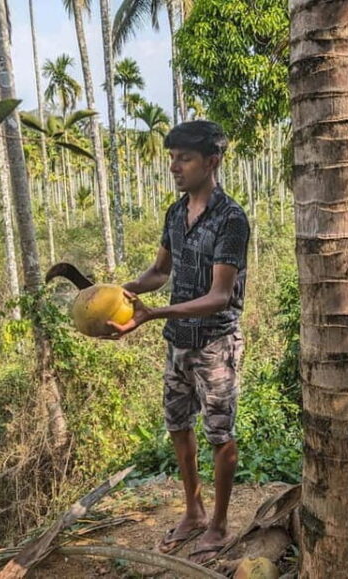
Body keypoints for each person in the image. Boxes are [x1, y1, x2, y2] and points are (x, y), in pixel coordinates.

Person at [109, 120, 250, 564]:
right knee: (178, 426)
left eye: (184, 158)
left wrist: (154, 314)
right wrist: (120, 293)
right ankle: (192, 511)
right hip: (177, 344)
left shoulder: (231, 220)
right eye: (171, 157)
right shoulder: (175, 213)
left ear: (211, 162)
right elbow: (160, 273)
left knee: (219, 434)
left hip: (216, 345)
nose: (174, 166)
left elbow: (219, 296)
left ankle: (219, 524)